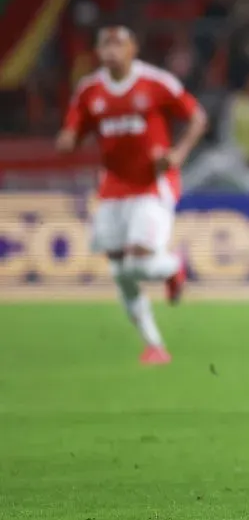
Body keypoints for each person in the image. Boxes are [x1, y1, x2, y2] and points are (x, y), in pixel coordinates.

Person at [56, 25, 208, 364]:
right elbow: (72, 130)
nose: (111, 50)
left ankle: (172, 268)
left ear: (133, 49)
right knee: (119, 268)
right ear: (98, 51)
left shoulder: (155, 83)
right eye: (105, 44)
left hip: (152, 185)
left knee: (135, 262)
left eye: (118, 44)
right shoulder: (89, 90)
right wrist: (67, 140)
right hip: (112, 187)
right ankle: (153, 344)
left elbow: (197, 117)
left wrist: (179, 154)